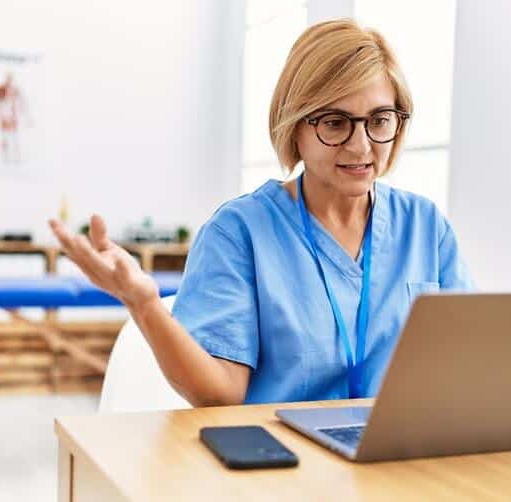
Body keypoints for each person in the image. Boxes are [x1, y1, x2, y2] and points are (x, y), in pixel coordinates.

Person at [50, 19, 473, 407]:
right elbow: (220, 395)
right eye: (334, 122)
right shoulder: (239, 232)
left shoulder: (426, 226)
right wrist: (143, 304)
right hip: (281, 467)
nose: (362, 145)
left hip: (400, 462)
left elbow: (468, 366)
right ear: (294, 125)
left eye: (379, 120)